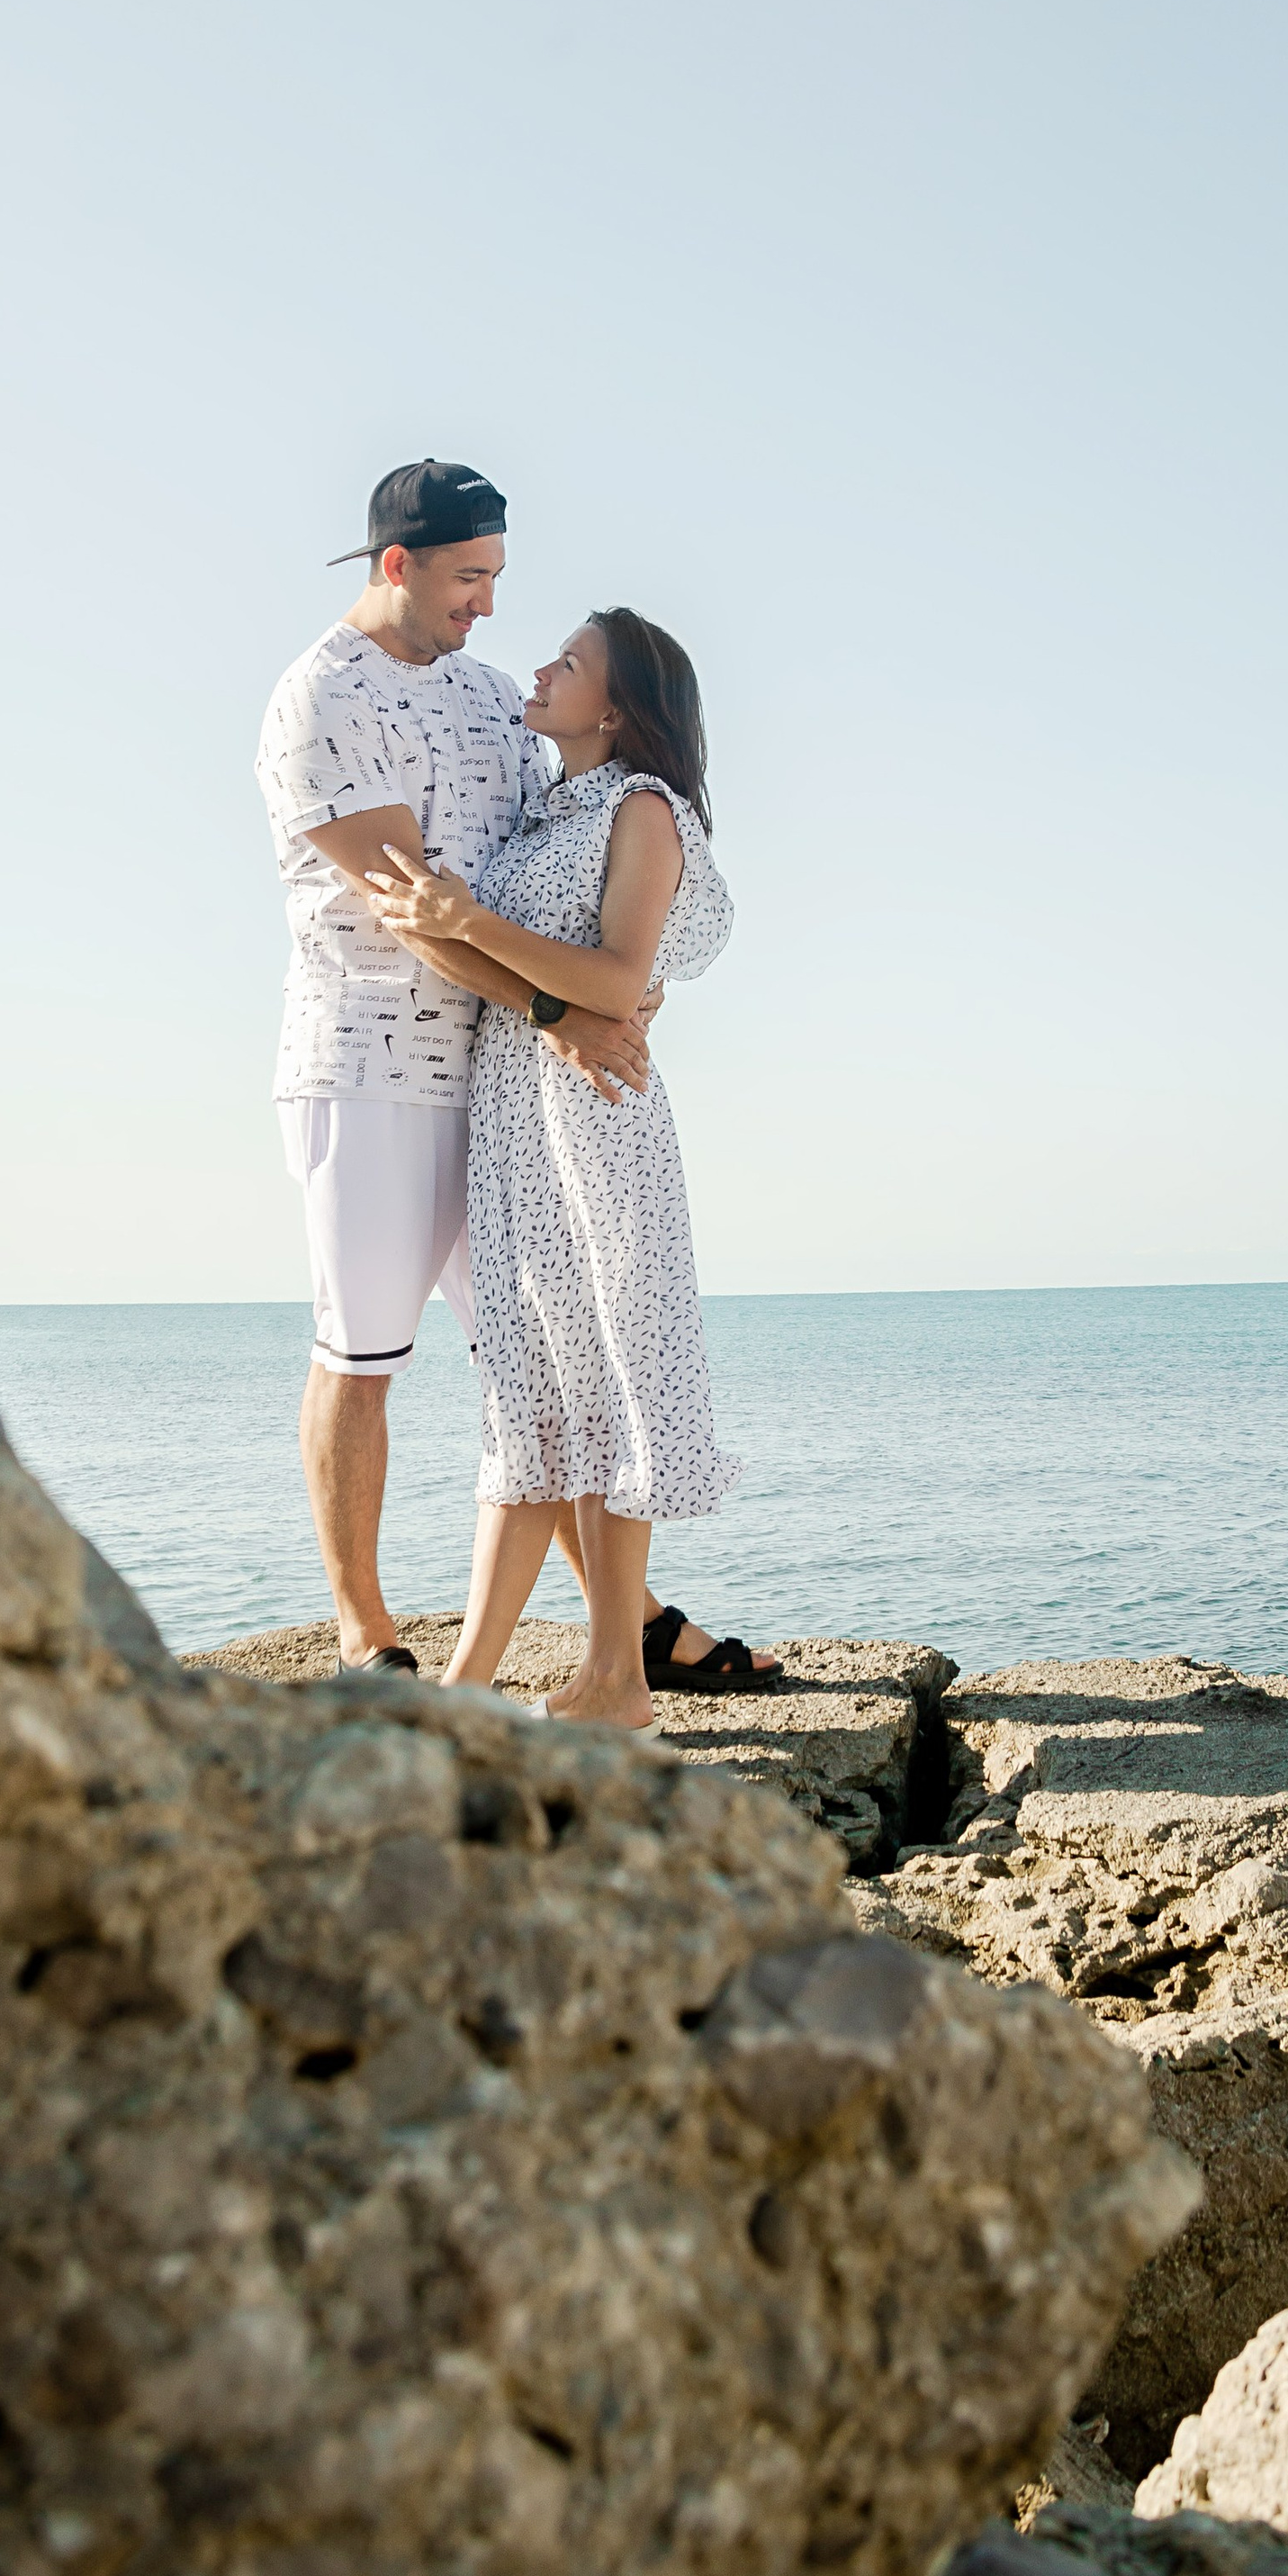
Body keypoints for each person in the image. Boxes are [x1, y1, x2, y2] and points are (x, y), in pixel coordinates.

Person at [256, 465, 777, 1689]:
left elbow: (579, 866)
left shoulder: (499, 703)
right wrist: (562, 1007)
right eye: (468, 578)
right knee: (362, 1351)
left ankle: (626, 1630)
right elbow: (411, 914)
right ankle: (368, 1630)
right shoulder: (320, 702)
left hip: (511, 1094)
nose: (488, 605)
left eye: (496, 577)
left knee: (555, 1371)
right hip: (372, 1060)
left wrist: (618, 991)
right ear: (399, 567)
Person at [360, 607, 743, 1731]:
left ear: (615, 709)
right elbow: (505, 954)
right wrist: (463, 926)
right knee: (535, 1398)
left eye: (568, 663)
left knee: (612, 1385)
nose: (541, 667)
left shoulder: (641, 810)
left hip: (597, 1120)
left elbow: (619, 983)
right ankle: (482, 1688)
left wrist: (469, 919)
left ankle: (616, 1681)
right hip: (513, 1116)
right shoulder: (545, 809)